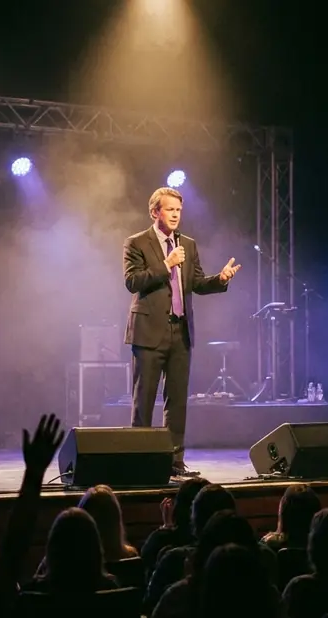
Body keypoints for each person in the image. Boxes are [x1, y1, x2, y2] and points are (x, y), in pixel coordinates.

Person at [123, 186, 241, 477]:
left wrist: (220, 279)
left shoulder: (187, 244)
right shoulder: (137, 242)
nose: (175, 215)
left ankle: (174, 463)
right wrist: (166, 264)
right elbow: (132, 281)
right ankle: (140, 463)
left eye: (178, 210)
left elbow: (197, 283)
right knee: (144, 401)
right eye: (170, 210)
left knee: (177, 402)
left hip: (181, 332)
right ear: (155, 212)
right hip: (149, 333)